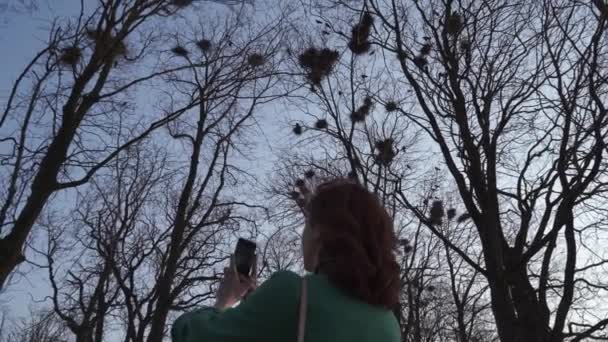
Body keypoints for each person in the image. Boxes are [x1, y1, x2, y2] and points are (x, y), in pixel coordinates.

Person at [171, 180, 401, 342]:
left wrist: (224, 301)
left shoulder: (294, 292)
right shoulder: (389, 323)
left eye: (306, 222)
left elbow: (192, 334)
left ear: (320, 230)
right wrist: (262, 309)